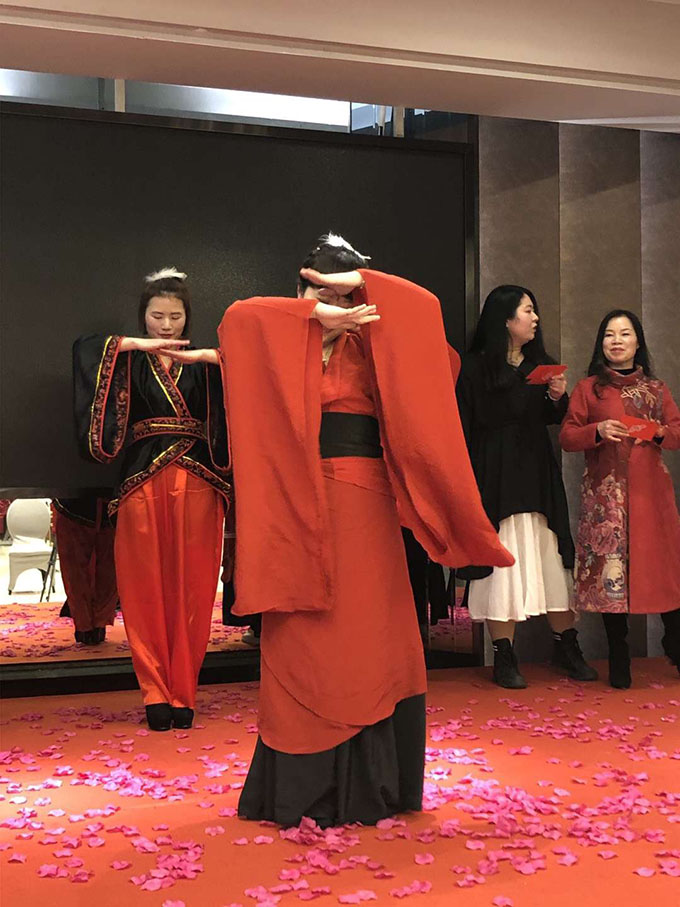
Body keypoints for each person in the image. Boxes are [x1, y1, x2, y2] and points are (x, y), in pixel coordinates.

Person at [169, 233, 513, 827]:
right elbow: (238, 318)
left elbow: (428, 322)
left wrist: (365, 288)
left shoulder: (376, 344)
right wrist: (312, 318)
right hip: (292, 506)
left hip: (363, 504)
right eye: (317, 291)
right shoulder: (278, 341)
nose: (332, 303)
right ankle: (299, 787)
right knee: (299, 634)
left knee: (366, 630)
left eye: (341, 293)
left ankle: (372, 784)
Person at [73, 268, 231, 730]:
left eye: (175, 316)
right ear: (143, 315)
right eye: (157, 316)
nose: (166, 325)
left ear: (188, 317)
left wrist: (213, 356)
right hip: (142, 479)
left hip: (198, 477)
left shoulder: (205, 362)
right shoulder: (128, 360)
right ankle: (155, 692)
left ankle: (184, 690)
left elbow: (256, 364)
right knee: (143, 587)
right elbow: (87, 349)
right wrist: (130, 345)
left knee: (194, 585)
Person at [456, 285, 598, 689]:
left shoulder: (543, 365)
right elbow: (465, 424)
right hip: (494, 472)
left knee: (550, 554)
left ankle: (566, 645)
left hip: (537, 472)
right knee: (500, 561)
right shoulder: (474, 367)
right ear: (505, 319)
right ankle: (504, 654)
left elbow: (555, 418)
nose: (535, 319)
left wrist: (557, 397)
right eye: (528, 311)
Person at [559, 310, 680, 688]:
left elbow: (676, 433)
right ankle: (619, 654)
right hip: (606, 499)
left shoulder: (656, 389)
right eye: (609, 334)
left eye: (625, 334)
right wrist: (597, 430)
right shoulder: (588, 389)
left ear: (637, 342)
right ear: (602, 343)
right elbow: (567, 437)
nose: (617, 341)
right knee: (611, 573)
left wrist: (655, 431)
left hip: (650, 497)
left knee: (663, 570)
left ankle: (674, 642)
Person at [52, 495, 117, 644]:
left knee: (109, 572)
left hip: (109, 508)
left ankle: (96, 625)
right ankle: (86, 626)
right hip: (74, 507)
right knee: (76, 572)